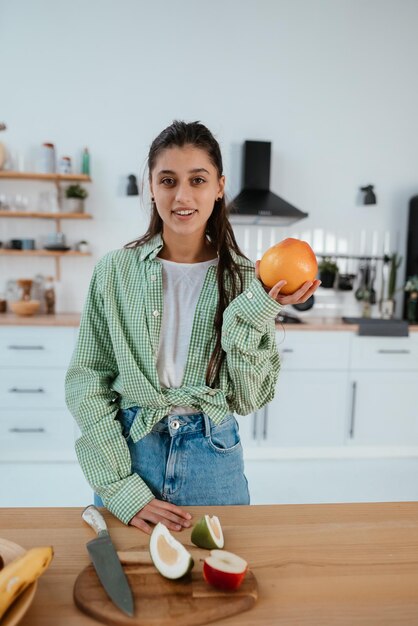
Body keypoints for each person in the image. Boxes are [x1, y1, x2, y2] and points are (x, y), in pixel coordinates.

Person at [65, 120, 320, 535]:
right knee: (125, 581)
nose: (181, 196)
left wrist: (257, 311)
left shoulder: (246, 280)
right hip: (131, 456)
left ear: (219, 186)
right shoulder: (113, 272)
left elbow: (247, 398)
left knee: (221, 580)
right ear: (151, 186)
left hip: (214, 459)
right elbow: (86, 382)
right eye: (168, 180)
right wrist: (121, 487)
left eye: (197, 180)